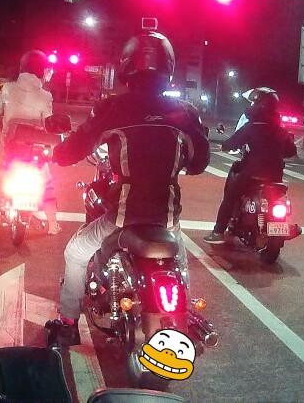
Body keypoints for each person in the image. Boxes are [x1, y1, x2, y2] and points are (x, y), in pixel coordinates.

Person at [50, 31, 210, 345]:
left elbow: (72, 150)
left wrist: (58, 153)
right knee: (178, 263)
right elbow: (199, 162)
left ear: (126, 66)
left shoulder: (112, 108)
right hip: (166, 218)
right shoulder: (185, 112)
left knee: (76, 252)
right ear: (169, 67)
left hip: (123, 217)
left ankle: (67, 322)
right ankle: (186, 315)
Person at [204, 87, 297, 245]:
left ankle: (218, 231)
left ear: (258, 105)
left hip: (252, 173)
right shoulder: (281, 130)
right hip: (275, 175)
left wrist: (224, 146)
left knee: (230, 197)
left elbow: (233, 142)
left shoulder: (253, 126)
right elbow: (291, 151)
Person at [0, 50, 60, 234]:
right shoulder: (46, 96)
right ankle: (52, 224)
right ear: (42, 70)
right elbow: (49, 123)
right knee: (47, 181)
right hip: (34, 149)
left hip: (11, 145)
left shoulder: (8, 89)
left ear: (22, 68)